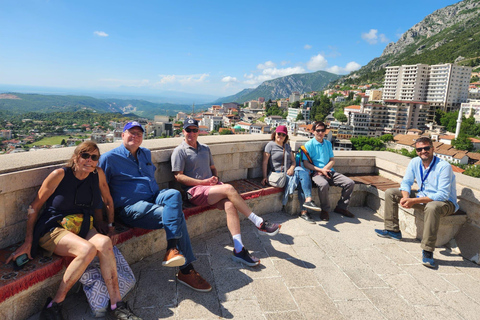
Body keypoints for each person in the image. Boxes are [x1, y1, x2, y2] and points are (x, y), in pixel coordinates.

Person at [6, 141, 141, 320]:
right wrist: (28, 241)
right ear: (76, 157)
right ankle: (55, 304)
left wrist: (110, 226)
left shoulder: (97, 174)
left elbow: (107, 199)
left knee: (105, 242)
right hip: (54, 228)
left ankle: (117, 304)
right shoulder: (59, 175)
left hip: (82, 225)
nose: (89, 160)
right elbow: (34, 206)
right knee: (87, 249)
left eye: (94, 157)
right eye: (85, 155)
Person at [99, 121, 211, 292]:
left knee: (173, 194)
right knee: (176, 215)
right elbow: (101, 193)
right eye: (131, 132)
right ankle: (185, 269)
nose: (135, 136)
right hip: (131, 207)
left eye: (139, 134)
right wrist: (107, 223)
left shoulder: (145, 153)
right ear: (122, 135)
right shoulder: (109, 159)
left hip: (154, 197)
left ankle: (172, 248)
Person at [171, 118, 281, 267]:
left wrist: (215, 177)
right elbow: (178, 176)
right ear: (183, 131)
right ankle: (259, 222)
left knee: (229, 205)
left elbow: (213, 167)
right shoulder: (180, 151)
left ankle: (238, 250)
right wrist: (203, 182)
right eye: (188, 130)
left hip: (211, 188)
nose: (191, 133)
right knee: (229, 189)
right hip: (195, 191)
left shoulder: (205, 149)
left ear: (199, 132)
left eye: (194, 130)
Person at [374, 137, 458, 268]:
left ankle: (428, 250)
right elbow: (406, 183)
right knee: (391, 192)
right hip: (423, 196)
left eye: (426, 148)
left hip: (445, 203)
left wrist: (413, 200)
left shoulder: (443, 166)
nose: (423, 151)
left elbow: (442, 195)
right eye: (419, 149)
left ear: (432, 148)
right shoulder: (415, 162)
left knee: (432, 207)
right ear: (416, 151)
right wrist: (405, 197)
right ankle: (392, 230)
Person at [261, 125, 320, 223]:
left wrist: (292, 168)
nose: (280, 136)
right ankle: (304, 210)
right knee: (302, 176)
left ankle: (307, 203)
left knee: (303, 174)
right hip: (280, 174)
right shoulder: (270, 145)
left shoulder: (287, 147)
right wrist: (264, 177)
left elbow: (293, 161)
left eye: (283, 135)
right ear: (275, 134)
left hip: (292, 171)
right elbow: (264, 162)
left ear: (286, 136)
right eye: (278, 134)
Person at [302, 121, 355, 221]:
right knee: (323, 184)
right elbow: (306, 163)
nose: (320, 133)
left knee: (350, 183)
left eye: (323, 130)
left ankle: (341, 207)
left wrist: (326, 169)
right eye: (318, 130)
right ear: (313, 131)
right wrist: (321, 170)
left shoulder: (327, 144)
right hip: (316, 173)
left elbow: (332, 160)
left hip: (330, 171)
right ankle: (325, 210)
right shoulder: (309, 145)